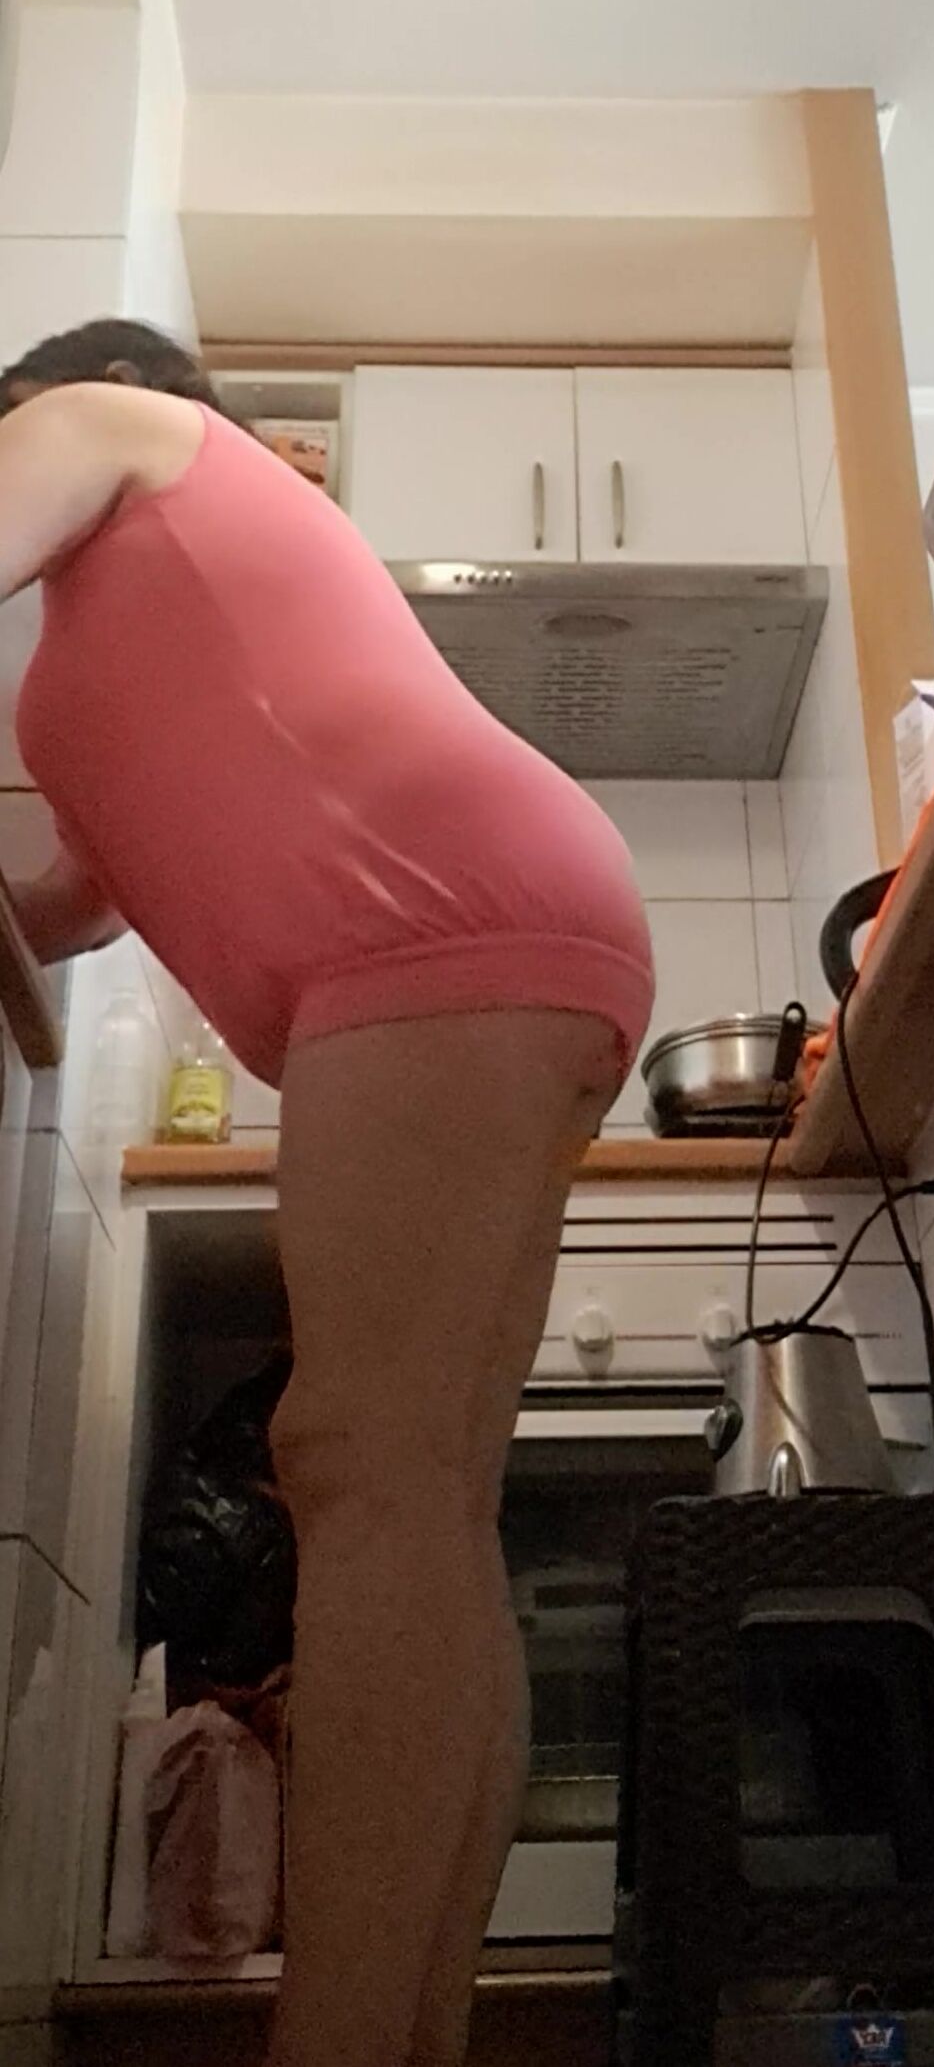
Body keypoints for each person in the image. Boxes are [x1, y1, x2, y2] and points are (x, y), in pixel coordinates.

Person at [0, 320, 654, 2067]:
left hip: (433, 928)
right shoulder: (122, 628)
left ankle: (341, 2042)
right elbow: (80, 896)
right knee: (417, 1499)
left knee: (362, 1471)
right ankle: (404, 2036)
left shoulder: (107, 422)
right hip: (480, 929)